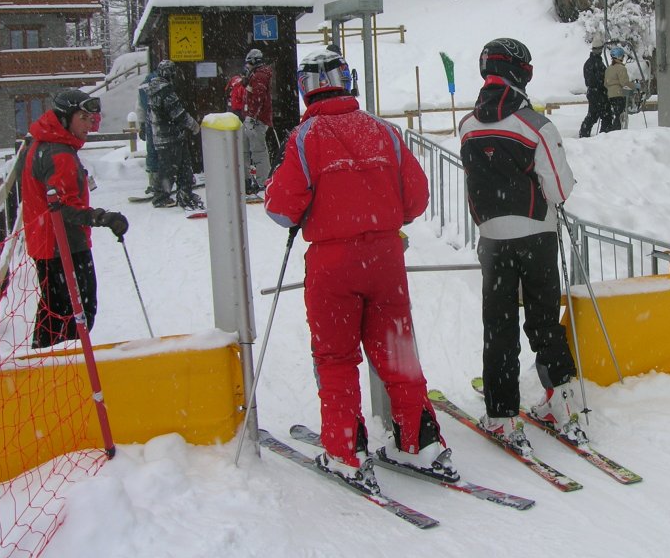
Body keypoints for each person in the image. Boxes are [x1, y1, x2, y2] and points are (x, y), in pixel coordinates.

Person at [264, 50, 454, 494]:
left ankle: (347, 451)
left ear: (305, 88)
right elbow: (416, 198)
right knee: (398, 355)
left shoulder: (304, 137)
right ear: (347, 81)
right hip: (385, 260)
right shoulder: (383, 131)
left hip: (332, 264)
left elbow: (281, 208)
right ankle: (419, 441)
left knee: (336, 359)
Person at [458, 37, 584, 453]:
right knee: (544, 319)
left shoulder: (468, 125)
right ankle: (563, 403)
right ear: (521, 72)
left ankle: (502, 414)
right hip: (537, 234)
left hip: (492, 239)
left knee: (499, 327)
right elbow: (561, 188)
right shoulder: (535, 125)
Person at [21, 89, 129, 348]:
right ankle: (59, 364)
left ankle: (51, 359)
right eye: (83, 117)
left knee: (56, 308)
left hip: (50, 242)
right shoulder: (58, 154)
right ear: (65, 118)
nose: (89, 124)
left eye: (91, 118)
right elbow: (64, 208)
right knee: (75, 313)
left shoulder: (48, 144)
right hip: (62, 246)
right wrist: (103, 218)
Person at [147, 59, 204, 210]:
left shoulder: (154, 88)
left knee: (183, 165)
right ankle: (161, 196)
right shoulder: (164, 90)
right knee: (171, 167)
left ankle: (185, 192)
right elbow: (178, 113)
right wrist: (194, 125)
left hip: (165, 135)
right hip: (169, 136)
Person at [240, 48, 273, 194]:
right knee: (246, 150)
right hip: (253, 119)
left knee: (257, 151)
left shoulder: (259, 76)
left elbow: (257, 97)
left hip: (256, 121)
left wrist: (252, 116)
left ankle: (262, 183)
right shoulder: (257, 75)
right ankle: (252, 180)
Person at [136, 69, 162, 199]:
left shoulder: (142, 86)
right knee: (164, 152)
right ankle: (164, 183)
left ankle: (153, 182)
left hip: (148, 121)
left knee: (151, 151)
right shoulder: (161, 84)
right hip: (162, 123)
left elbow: (139, 107)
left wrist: (141, 125)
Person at [578, 42, 609, 138]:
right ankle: (604, 135)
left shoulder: (589, 63)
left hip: (592, 92)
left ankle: (584, 133)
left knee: (593, 115)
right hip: (598, 92)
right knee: (605, 115)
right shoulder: (597, 64)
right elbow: (598, 80)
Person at [604, 45, 634, 132]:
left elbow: (605, 83)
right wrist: (634, 86)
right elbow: (624, 83)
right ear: (620, 56)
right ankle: (616, 132)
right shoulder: (621, 68)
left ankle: (613, 130)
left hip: (611, 95)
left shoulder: (608, 69)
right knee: (619, 115)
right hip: (619, 94)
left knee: (616, 114)